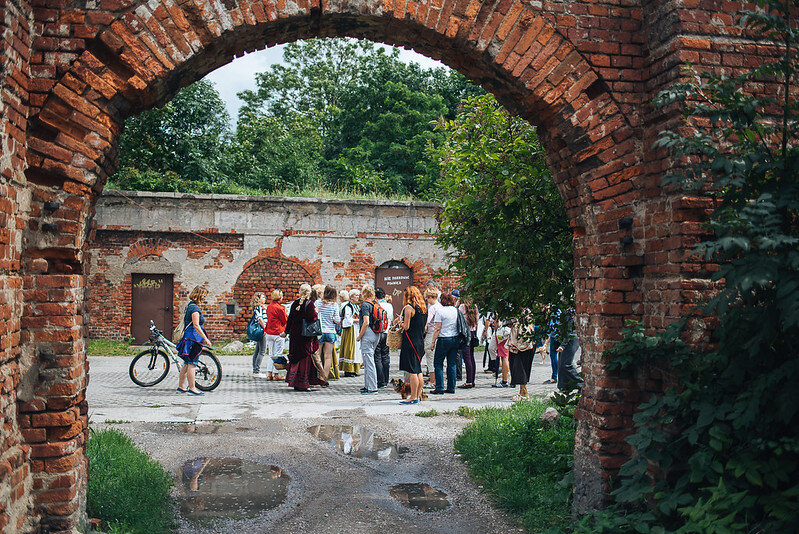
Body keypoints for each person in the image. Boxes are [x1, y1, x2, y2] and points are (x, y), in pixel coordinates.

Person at [285, 284, 325, 391]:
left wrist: (286, 331)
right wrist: (316, 312)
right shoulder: (310, 304)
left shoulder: (295, 303)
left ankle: (295, 382)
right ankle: (303, 383)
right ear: (309, 293)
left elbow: (290, 319)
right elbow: (311, 318)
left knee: (296, 357)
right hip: (305, 335)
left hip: (295, 334)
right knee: (304, 358)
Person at [176, 285, 214, 396]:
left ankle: (181, 386)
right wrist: (206, 339)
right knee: (192, 363)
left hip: (188, 338)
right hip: (193, 339)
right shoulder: (195, 309)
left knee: (186, 363)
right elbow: (196, 325)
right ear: (199, 295)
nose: (204, 298)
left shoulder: (189, 306)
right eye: (204, 296)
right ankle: (192, 388)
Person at [396, 286, 427, 404]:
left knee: (412, 371)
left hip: (410, 342)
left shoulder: (409, 308)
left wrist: (400, 322)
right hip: (419, 341)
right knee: (418, 370)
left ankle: (413, 397)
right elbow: (424, 327)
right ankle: (418, 396)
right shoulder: (423, 308)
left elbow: (406, 327)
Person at [430, 292, 460, 394]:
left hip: (443, 339)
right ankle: (451, 387)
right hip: (455, 338)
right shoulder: (456, 310)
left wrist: (433, 341)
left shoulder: (440, 311)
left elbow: (437, 328)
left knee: (438, 363)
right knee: (452, 363)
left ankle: (439, 387)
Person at [356, 284, 379, 394]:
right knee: (368, 360)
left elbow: (366, 322)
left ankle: (372, 387)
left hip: (368, 333)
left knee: (369, 362)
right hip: (376, 333)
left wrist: (360, 336)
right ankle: (368, 385)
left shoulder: (365, 304)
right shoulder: (375, 303)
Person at [507, 320, 538, 400]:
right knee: (521, 367)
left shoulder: (523, 315)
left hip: (522, 343)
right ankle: (522, 392)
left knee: (520, 367)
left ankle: (524, 393)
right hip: (523, 343)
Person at [317, 284, 341, 386]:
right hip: (330, 332)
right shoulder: (334, 305)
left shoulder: (318, 303)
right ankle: (324, 378)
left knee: (317, 356)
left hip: (319, 332)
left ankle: (317, 376)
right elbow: (337, 320)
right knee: (327, 357)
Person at [554, 309, 582, 391]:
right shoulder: (565, 312)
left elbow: (569, 330)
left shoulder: (569, 313)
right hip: (567, 339)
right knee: (561, 364)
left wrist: (563, 345)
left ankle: (581, 384)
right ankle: (563, 387)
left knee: (566, 364)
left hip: (571, 339)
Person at [265, 289, 288, 381]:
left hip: (269, 332)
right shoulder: (280, 308)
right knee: (278, 354)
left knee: (271, 353)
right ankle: (276, 374)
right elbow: (285, 320)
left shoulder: (269, 306)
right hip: (278, 332)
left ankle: (269, 373)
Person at [374, 287, 394, 388]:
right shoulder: (389, 305)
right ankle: (386, 379)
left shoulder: (376, 305)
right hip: (387, 332)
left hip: (377, 332)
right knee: (385, 356)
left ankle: (380, 380)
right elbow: (391, 318)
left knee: (377, 356)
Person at [458, 300, 479, 389]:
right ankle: (472, 380)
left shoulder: (462, 307)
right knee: (471, 357)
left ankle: (469, 382)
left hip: (465, 333)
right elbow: (477, 321)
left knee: (467, 358)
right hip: (473, 332)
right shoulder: (475, 307)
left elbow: (458, 319)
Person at [338, 290, 359, 376]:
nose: (358, 297)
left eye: (358, 295)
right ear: (351, 297)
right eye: (356, 295)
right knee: (350, 348)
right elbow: (347, 319)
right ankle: (348, 370)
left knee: (356, 350)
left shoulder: (356, 306)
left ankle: (354, 369)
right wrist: (357, 320)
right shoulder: (348, 307)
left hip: (356, 328)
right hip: (350, 329)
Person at [423, 288, 440, 389]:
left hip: (431, 334)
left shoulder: (432, 308)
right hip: (439, 334)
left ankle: (432, 381)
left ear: (430, 297)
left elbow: (427, 321)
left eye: (427, 298)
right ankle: (435, 379)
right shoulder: (440, 306)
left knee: (430, 358)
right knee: (436, 359)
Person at [250, 292, 269, 378]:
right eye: (263, 297)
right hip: (262, 331)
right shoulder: (258, 308)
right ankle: (256, 371)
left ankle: (255, 370)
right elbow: (260, 319)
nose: (264, 298)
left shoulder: (260, 307)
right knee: (262, 351)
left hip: (261, 330)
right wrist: (265, 328)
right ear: (258, 299)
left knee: (257, 351)